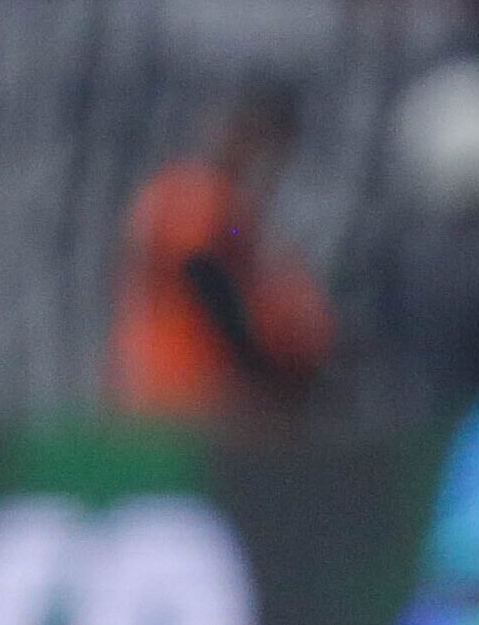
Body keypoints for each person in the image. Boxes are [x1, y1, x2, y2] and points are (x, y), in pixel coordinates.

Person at [109, 87, 334, 426]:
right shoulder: (194, 191)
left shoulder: (234, 211)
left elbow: (232, 250)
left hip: (223, 395)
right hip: (189, 388)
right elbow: (202, 270)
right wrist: (254, 359)